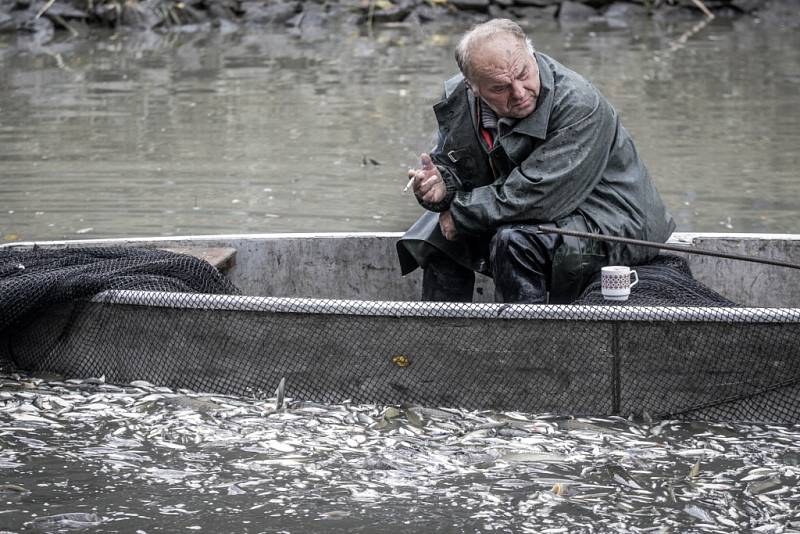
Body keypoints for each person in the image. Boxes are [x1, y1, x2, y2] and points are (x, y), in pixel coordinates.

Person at [396, 18, 675, 304]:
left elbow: (539, 195)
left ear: (532, 55)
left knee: (514, 241)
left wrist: (461, 214)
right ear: (472, 87)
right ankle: (443, 338)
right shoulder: (458, 97)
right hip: (530, 208)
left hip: (615, 224)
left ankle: (527, 345)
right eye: (499, 88)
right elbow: (457, 169)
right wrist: (440, 188)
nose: (519, 92)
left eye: (523, 73)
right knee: (436, 234)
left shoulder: (579, 104)